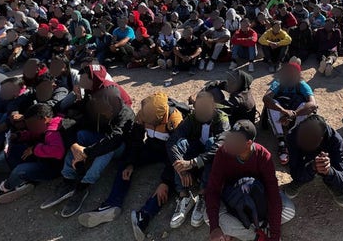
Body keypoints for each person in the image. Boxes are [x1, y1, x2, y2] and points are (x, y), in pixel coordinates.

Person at [78, 92, 183, 239]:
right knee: (125, 163)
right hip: (153, 148)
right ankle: (112, 203)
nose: (146, 123)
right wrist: (131, 163)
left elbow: (179, 154)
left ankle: (145, 216)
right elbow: (137, 140)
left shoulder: (175, 121)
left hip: (171, 153)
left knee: (169, 183)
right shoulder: (144, 113)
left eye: (151, 122)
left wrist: (165, 182)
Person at [40, 85, 134, 218]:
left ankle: (84, 185)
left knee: (107, 148)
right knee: (80, 135)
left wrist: (86, 153)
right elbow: (68, 122)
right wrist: (74, 146)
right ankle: (69, 179)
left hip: (118, 148)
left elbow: (114, 140)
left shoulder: (126, 115)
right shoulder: (95, 106)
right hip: (99, 140)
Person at [206, 120, 295, 241]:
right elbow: (213, 189)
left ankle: (244, 229)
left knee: (289, 209)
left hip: (259, 201)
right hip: (233, 202)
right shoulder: (223, 153)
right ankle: (257, 236)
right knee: (208, 217)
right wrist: (214, 228)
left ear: (248, 143)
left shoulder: (263, 156)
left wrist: (275, 235)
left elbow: (273, 193)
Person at [0, 103, 68, 204]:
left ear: (44, 119)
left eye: (32, 125)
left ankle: (4, 188)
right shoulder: (46, 125)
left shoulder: (53, 132)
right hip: (44, 158)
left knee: (19, 170)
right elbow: (35, 134)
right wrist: (19, 135)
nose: (30, 127)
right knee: (16, 150)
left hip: (53, 167)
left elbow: (58, 151)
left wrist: (34, 149)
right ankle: (24, 181)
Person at [166, 91, 230, 229]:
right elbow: (171, 141)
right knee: (180, 143)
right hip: (195, 153)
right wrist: (182, 170)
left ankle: (203, 195)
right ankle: (184, 196)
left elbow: (220, 146)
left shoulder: (222, 119)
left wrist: (193, 163)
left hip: (210, 161)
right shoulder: (191, 118)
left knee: (212, 142)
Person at [283, 115, 343, 207]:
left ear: (321, 139)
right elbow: (294, 171)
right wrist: (312, 167)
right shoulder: (293, 136)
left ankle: (331, 184)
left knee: (338, 182)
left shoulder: (336, 141)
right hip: (306, 161)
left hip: (328, 161)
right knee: (298, 176)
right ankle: (299, 182)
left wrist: (329, 171)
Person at [262, 62, 317, 165]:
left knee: (306, 105)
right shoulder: (278, 83)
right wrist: (283, 111)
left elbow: (313, 104)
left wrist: (293, 114)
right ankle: (281, 140)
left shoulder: (302, 85)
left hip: (295, 114)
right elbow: (266, 98)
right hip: (282, 112)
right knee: (271, 105)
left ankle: (293, 134)